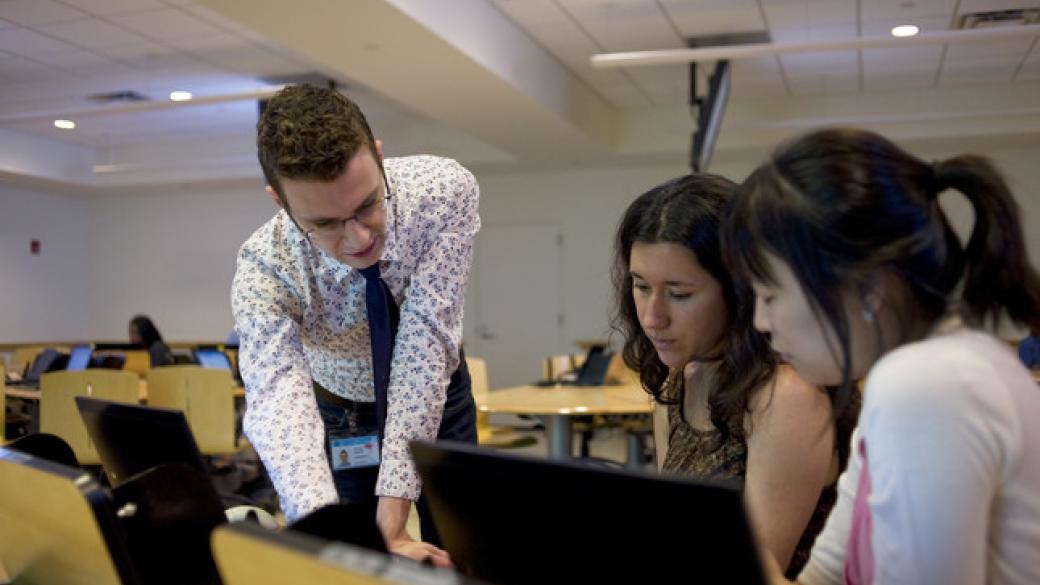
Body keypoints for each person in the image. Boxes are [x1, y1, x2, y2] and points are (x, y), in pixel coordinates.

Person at [722, 128, 1040, 585]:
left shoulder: (927, 383)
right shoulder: (917, 374)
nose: (760, 321)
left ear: (869, 288)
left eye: (770, 295)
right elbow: (825, 576)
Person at [231, 85, 480, 567]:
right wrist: (329, 536)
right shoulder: (266, 266)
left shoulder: (442, 193)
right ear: (279, 202)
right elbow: (279, 401)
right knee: (349, 557)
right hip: (343, 410)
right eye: (325, 222)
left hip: (438, 393)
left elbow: (423, 349)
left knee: (461, 547)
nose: (359, 238)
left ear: (379, 156)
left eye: (367, 204)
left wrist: (393, 524)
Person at [610, 174, 859, 576]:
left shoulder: (783, 395)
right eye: (641, 286)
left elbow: (753, 573)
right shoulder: (678, 381)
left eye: (679, 293)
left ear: (739, 289)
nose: (653, 317)